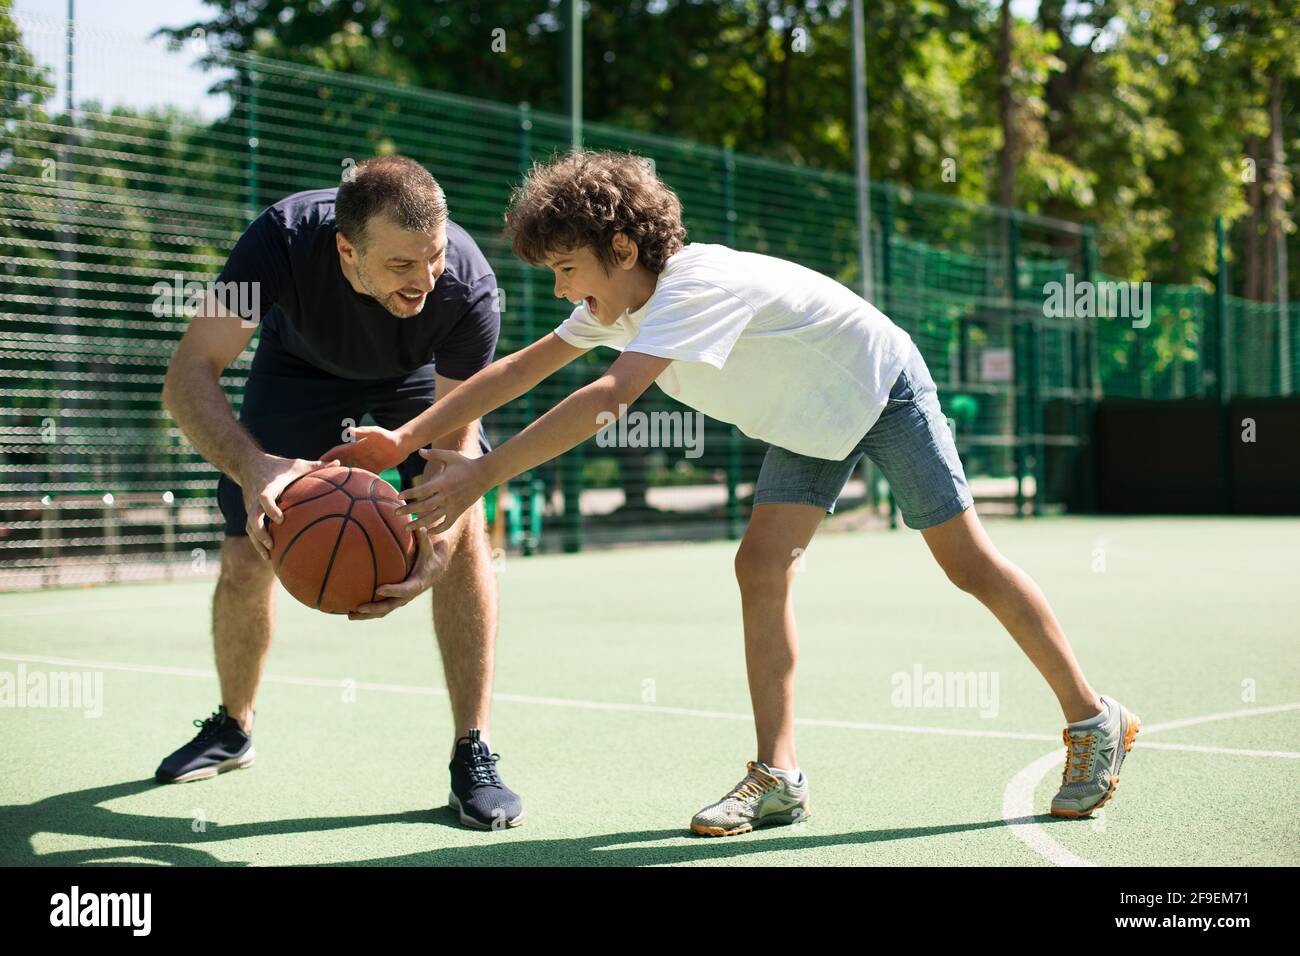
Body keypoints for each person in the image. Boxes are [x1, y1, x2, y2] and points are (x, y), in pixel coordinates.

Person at [330, 150, 1138, 836]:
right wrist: (405, 440)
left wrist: (480, 474)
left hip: (878, 385)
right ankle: (778, 774)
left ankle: (1092, 716)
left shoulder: (688, 286)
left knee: (967, 563)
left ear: (620, 246)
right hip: (807, 419)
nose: (560, 291)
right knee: (761, 566)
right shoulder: (613, 300)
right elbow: (523, 368)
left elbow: (608, 399)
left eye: (567, 269)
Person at [158, 155, 523, 831]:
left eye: (433, 257)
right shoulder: (278, 241)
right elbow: (187, 378)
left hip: (413, 384)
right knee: (244, 552)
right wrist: (251, 465)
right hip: (297, 370)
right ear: (346, 249)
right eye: (401, 266)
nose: (424, 279)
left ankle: (473, 749)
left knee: (464, 531)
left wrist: (437, 541)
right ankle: (234, 727)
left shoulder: (466, 287)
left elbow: (457, 449)